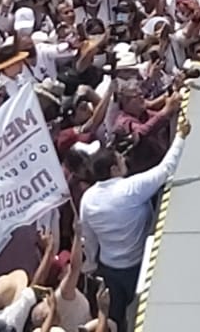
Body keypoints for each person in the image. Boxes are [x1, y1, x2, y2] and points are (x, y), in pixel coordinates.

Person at [77, 109, 191, 331]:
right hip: (138, 267)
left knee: (114, 319)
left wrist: (90, 265)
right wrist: (181, 136)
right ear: (113, 169)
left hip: (108, 269)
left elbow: (88, 237)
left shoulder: (87, 199)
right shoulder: (130, 189)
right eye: (120, 159)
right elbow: (166, 169)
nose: (124, 160)